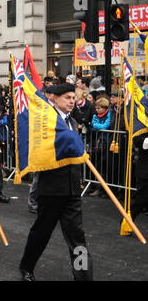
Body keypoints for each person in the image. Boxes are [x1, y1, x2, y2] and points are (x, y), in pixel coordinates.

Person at [19, 83, 93, 281]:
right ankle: (26, 266)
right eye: (67, 98)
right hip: (51, 188)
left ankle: (83, 276)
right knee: (41, 232)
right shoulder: (45, 119)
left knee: (78, 238)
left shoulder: (72, 120)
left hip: (72, 188)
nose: (72, 101)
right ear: (54, 98)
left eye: (73, 97)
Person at [130, 133, 148, 223]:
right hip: (145, 173)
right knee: (140, 202)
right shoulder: (141, 130)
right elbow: (137, 140)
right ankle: (126, 223)